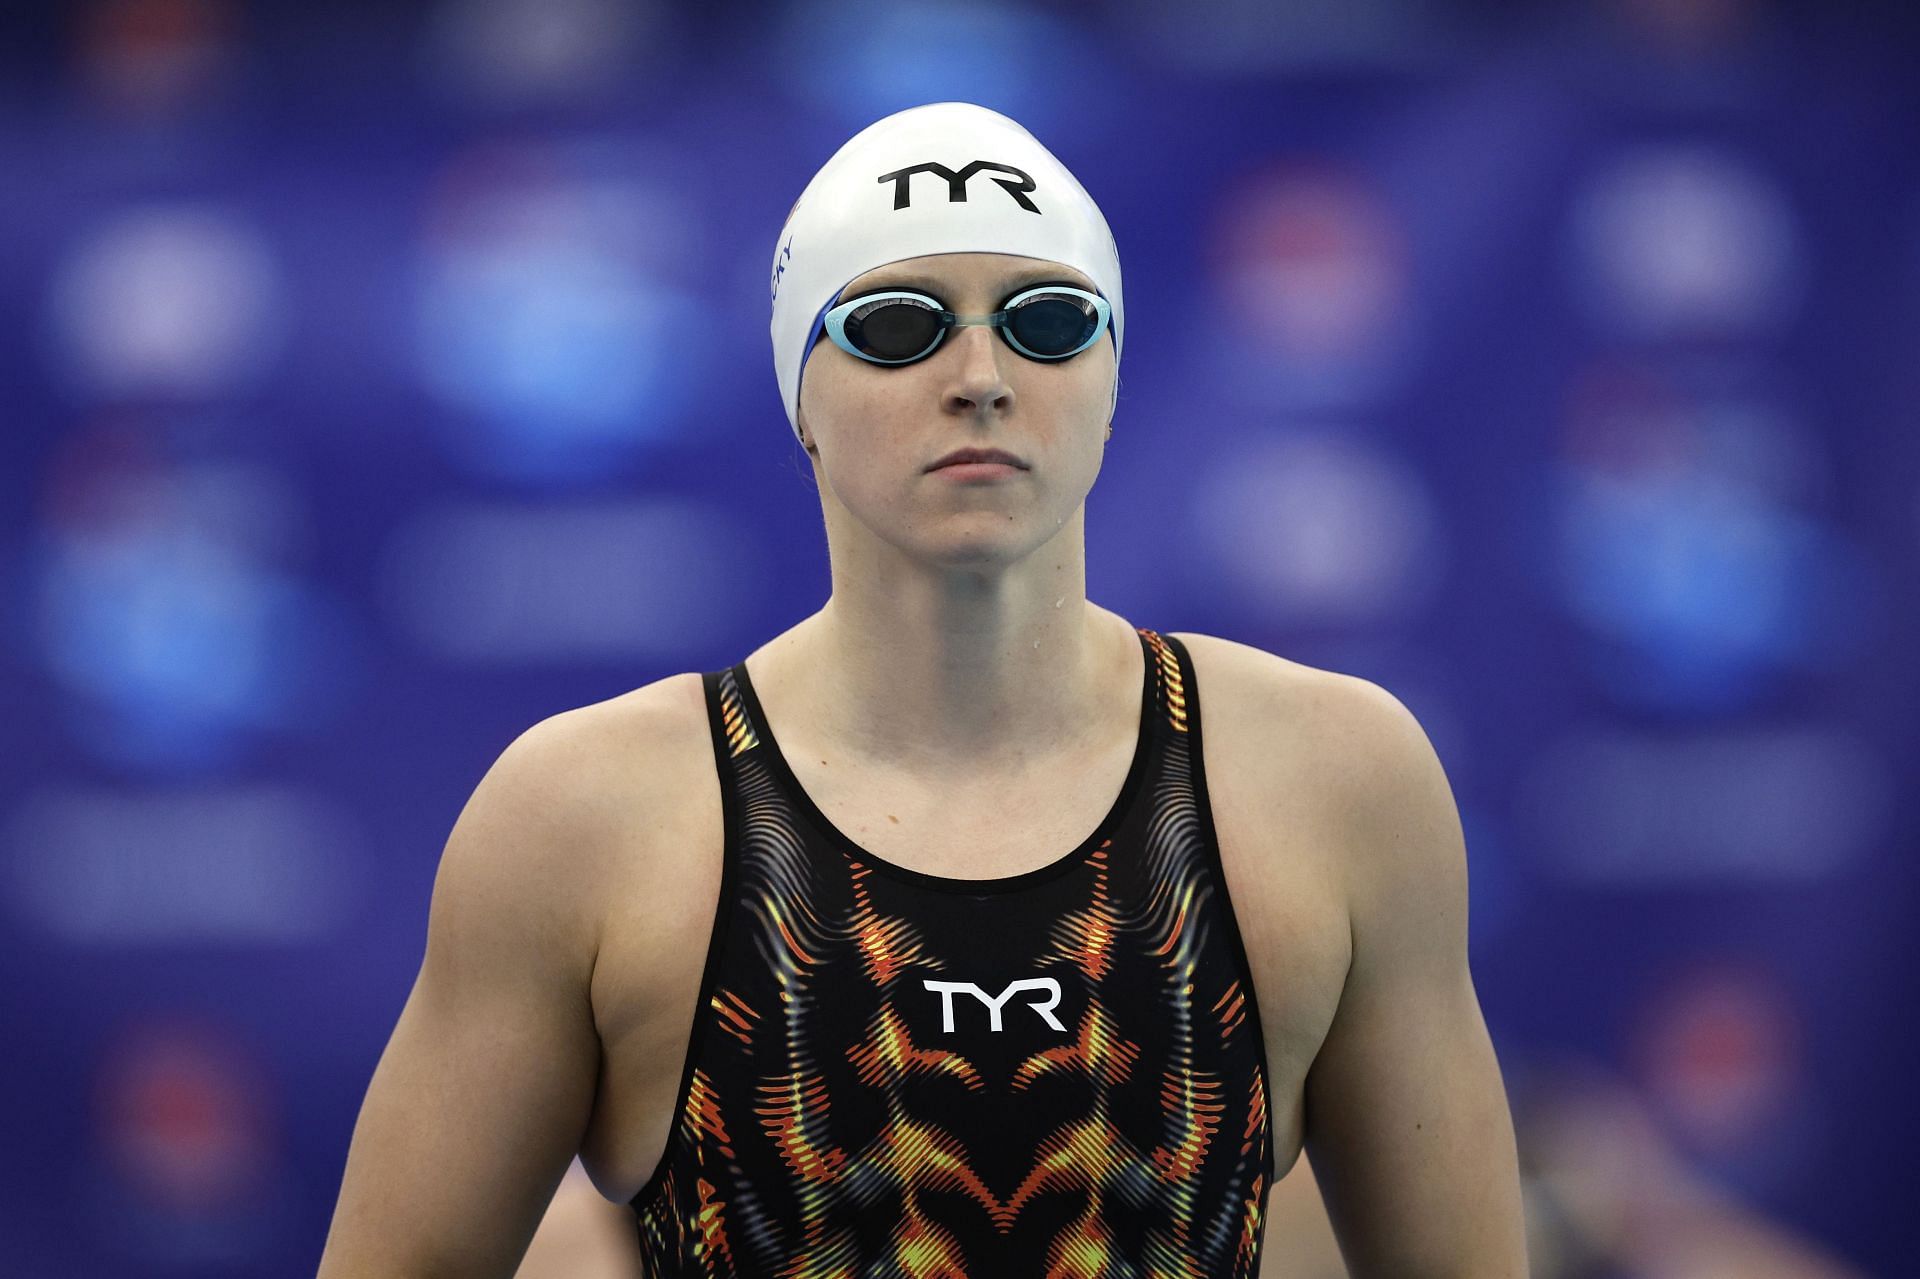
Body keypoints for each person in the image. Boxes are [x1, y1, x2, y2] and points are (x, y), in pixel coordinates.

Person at [317, 100, 1528, 1278]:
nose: (981, 374)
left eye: (1048, 321)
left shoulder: (1332, 783)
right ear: (801, 396)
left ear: (1111, 385)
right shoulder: (589, 820)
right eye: (899, 326)